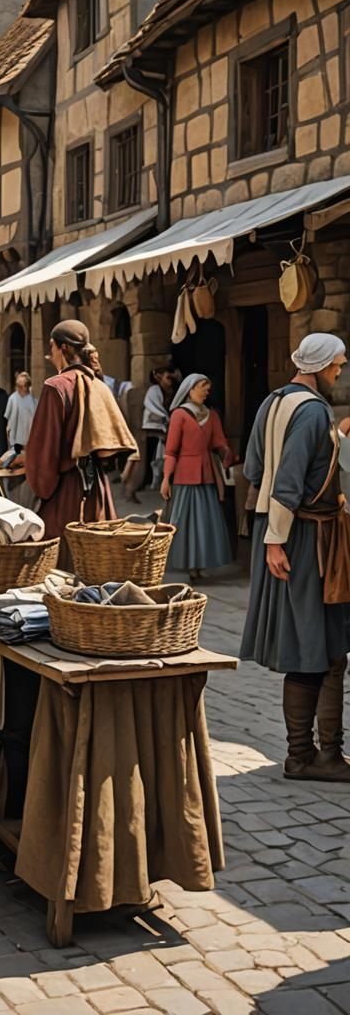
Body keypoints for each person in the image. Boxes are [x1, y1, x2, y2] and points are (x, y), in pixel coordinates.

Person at [241, 333, 350, 783]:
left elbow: (253, 469)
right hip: (304, 542)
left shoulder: (273, 402)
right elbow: (288, 481)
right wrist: (277, 540)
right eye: (338, 365)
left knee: (317, 649)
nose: (340, 372)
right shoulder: (312, 411)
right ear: (322, 365)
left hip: (289, 535)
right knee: (321, 650)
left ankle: (306, 753)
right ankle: (314, 757)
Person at [25, 320, 136, 567]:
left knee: (60, 568)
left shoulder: (56, 386)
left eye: (51, 347)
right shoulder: (98, 384)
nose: (50, 354)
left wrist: (37, 477)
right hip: (97, 490)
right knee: (94, 565)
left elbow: (45, 448)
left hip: (65, 491)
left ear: (63, 348)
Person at [161, 374, 235, 578]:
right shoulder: (179, 415)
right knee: (184, 523)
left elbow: (219, 443)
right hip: (185, 475)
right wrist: (166, 478)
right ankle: (189, 565)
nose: (206, 391)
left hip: (207, 475)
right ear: (190, 389)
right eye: (203, 387)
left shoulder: (212, 415)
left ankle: (200, 564)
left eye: (208, 388)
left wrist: (227, 454)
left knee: (204, 524)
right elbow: (171, 450)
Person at [142, 366, 177, 490]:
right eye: (168, 377)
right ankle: (152, 477)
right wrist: (165, 418)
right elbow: (152, 406)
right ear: (159, 377)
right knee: (155, 448)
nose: (170, 380)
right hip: (154, 423)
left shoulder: (171, 390)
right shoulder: (154, 390)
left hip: (166, 423)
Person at [4, 371, 37, 458]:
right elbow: (7, 418)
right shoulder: (12, 398)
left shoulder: (33, 401)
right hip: (15, 437)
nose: (21, 388)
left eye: (24, 385)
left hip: (29, 437)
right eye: (19, 385)